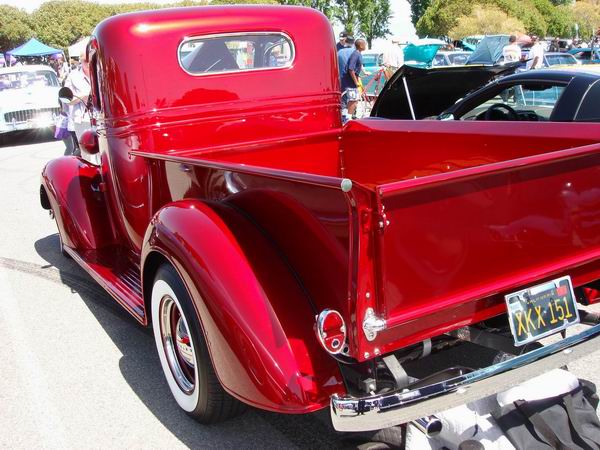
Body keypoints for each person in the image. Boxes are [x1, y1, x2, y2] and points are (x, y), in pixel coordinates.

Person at [63, 50, 91, 155]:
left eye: (91, 59)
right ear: (80, 61)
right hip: (83, 120)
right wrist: (84, 96)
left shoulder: (100, 72)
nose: (88, 62)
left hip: (102, 119)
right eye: (86, 60)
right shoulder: (73, 76)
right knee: (87, 154)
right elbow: (67, 100)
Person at [341, 38, 367, 118]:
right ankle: (348, 118)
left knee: (353, 100)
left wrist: (364, 73)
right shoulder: (356, 54)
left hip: (352, 80)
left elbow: (355, 68)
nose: (365, 45)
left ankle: (346, 117)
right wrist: (356, 82)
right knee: (354, 100)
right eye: (364, 44)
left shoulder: (358, 53)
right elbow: (351, 69)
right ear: (361, 45)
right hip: (350, 82)